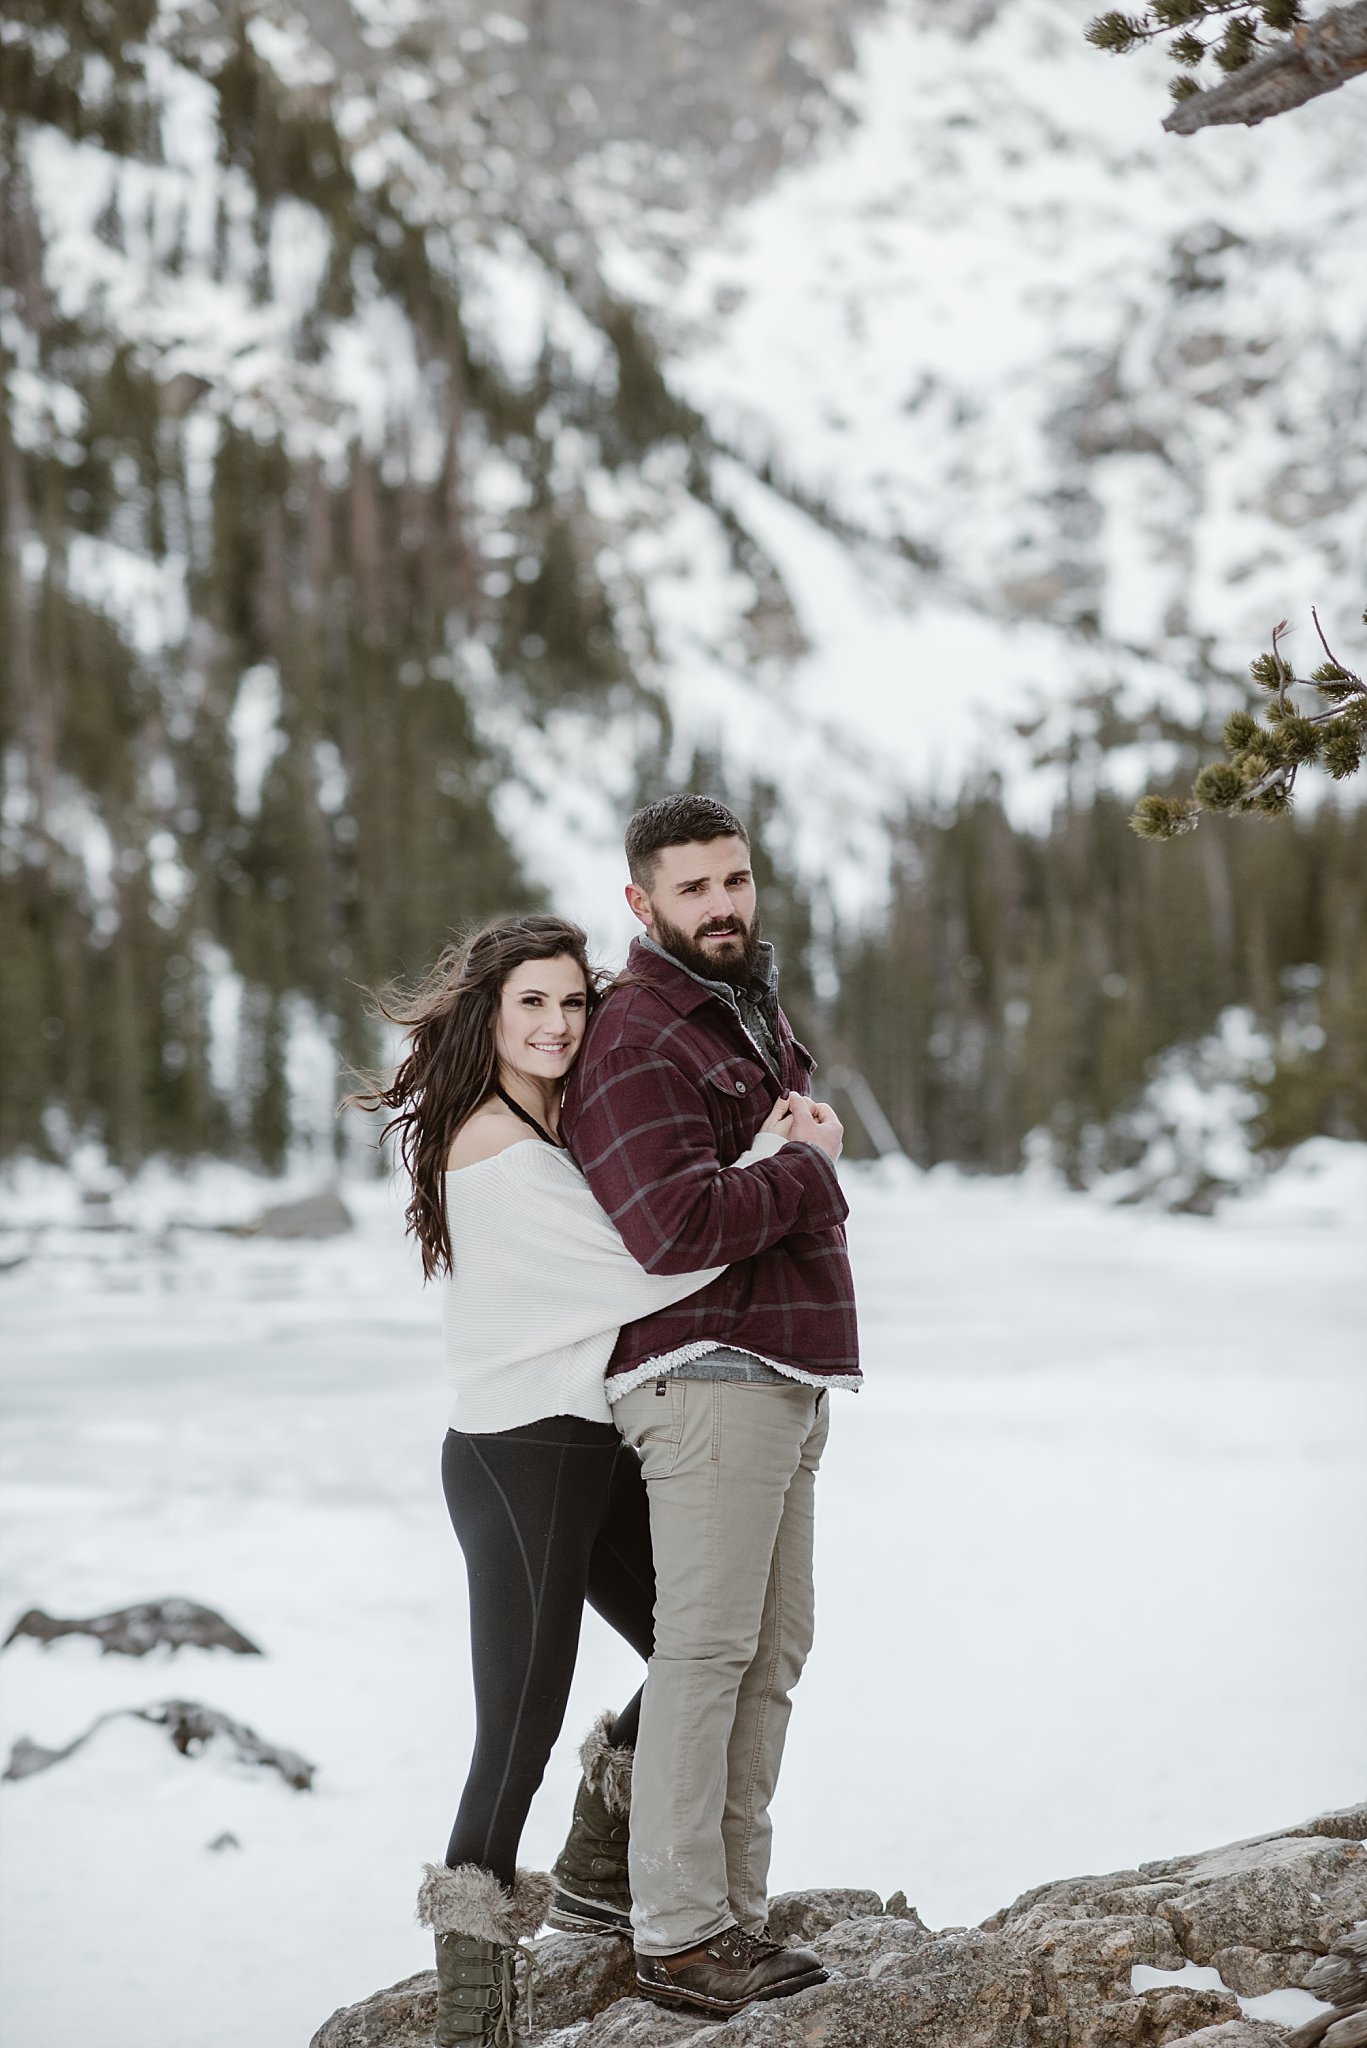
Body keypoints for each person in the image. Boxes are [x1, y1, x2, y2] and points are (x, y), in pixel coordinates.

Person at [359, 914, 797, 2048]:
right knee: (517, 1727)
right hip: (523, 1454)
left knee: (708, 1642)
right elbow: (651, 1259)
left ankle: (600, 1865)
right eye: (531, 1005)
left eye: (572, 1003)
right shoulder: (490, 1148)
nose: (556, 1025)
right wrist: (778, 1166)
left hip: (590, 1446)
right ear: (489, 1016)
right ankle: (472, 2013)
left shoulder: (552, 1121)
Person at [562, 793, 861, 2020]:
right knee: (703, 1651)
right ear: (642, 903)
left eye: (732, 879)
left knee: (769, 1651)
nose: (721, 904)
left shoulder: (743, 1009)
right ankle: (676, 1931)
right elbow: (669, 1225)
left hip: (780, 1372)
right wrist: (807, 1167)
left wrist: (798, 1161)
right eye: (691, 888)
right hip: (703, 1373)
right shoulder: (637, 1033)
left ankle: (731, 1908)